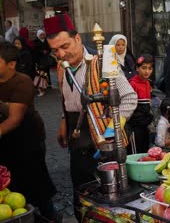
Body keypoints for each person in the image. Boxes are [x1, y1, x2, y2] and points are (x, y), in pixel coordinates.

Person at [44, 13, 137, 220]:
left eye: (65, 46)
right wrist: (63, 120)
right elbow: (67, 97)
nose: (61, 54)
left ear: (77, 38)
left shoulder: (102, 61)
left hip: (106, 141)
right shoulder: (61, 66)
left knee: (108, 201)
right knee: (81, 192)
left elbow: (130, 98)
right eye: (55, 50)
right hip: (76, 136)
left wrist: (113, 128)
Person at [0, 42, 59, 221]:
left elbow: (14, 119)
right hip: (4, 142)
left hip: (27, 140)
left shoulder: (22, 81)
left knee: (36, 182)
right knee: (11, 184)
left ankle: (51, 217)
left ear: (11, 64)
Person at [127, 54, 154, 153]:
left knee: (144, 152)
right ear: (137, 68)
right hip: (134, 127)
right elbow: (129, 107)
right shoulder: (132, 83)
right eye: (144, 68)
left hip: (144, 126)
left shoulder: (147, 83)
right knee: (135, 154)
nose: (147, 71)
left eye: (150, 68)